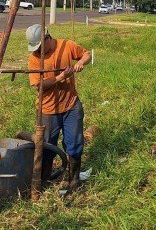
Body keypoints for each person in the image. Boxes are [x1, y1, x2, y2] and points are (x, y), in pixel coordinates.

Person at [26, 23, 91, 193]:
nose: (38, 50)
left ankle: (74, 181)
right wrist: (61, 77)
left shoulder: (66, 45)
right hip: (48, 109)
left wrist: (81, 63)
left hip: (71, 105)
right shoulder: (34, 58)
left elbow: (86, 54)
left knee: (75, 143)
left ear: (48, 38)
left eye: (40, 46)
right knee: (47, 146)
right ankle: (43, 181)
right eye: (35, 48)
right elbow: (39, 86)